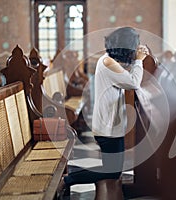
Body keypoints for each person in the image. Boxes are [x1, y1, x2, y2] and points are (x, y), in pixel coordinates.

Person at [62, 27, 149, 194]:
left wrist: (138, 58)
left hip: (111, 126)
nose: (135, 49)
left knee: (113, 170)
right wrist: (139, 60)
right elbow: (133, 82)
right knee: (112, 171)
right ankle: (69, 179)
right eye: (134, 45)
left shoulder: (109, 60)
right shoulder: (108, 62)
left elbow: (126, 76)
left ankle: (70, 179)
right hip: (107, 128)